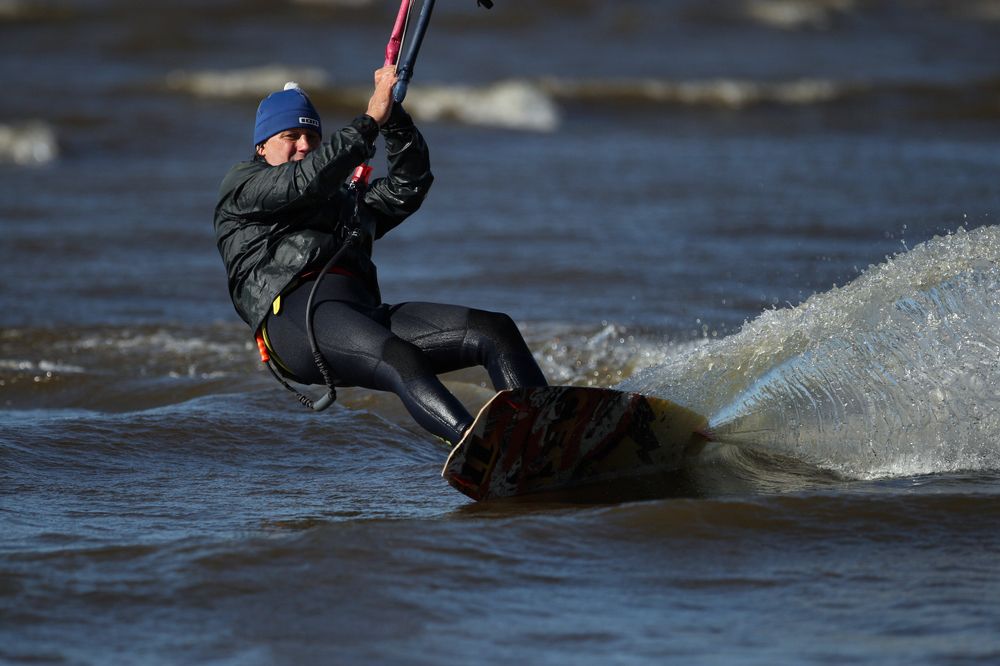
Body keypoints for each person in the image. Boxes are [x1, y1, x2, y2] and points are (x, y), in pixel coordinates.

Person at [214, 66, 547, 445]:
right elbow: (305, 181)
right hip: (293, 323)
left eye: (311, 137)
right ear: (261, 146)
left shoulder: (342, 203)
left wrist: (394, 119)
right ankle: (482, 450)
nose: (304, 145)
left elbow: (409, 186)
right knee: (400, 359)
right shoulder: (243, 187)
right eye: (291, 136)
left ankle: (539, 437)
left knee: (495, 330)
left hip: (360, 314)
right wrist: (370, 119)